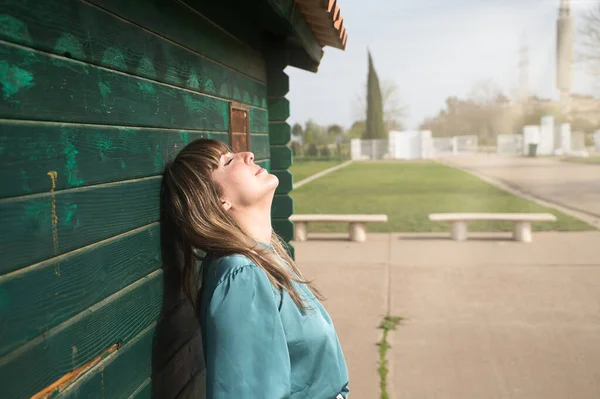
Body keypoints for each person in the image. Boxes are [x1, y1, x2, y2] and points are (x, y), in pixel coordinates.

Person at [161, 139, 350, 398]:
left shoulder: (265, 257)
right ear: (219, 201)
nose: (248, 155)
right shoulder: (241, 276)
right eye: (227, 161)